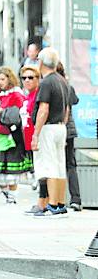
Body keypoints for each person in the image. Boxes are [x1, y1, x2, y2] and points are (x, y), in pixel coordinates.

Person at [30, 48, 70, 217]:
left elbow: (43, 109)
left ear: (40, 62)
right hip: (61, 126)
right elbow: (67, 108)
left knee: (49, 165)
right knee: (60, 165)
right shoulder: (62, 80)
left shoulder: (46, 82)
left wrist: (36, 134)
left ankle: (52, 204)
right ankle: (60, 203)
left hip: (49, 128)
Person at [0, 67, 30, 204]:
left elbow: (18, 115)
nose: (0, 82)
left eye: (3, 79)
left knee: (11, 170)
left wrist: (2, 111)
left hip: (11, 135)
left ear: (9, 79)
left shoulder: (16, 95)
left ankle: (12, 196)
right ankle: (6, 192)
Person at [19, 66, 48, 216]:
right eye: (24, 78)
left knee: (42, 170)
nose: (27, 81)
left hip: (38, 138)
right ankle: (43, 201)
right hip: (28, 139)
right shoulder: (27, 95)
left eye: (31, 77)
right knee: (38, 169)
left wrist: (36, 136)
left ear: (38, 79)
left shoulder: (38, 95)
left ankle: (43, 202)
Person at [56, 63, 82, 211]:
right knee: (70, 165)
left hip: (61, 128)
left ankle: (58, 199)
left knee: (58, 164)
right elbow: (75, 100)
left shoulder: (54, 84)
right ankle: (75, 199)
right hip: (70, 129)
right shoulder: (67, 85)